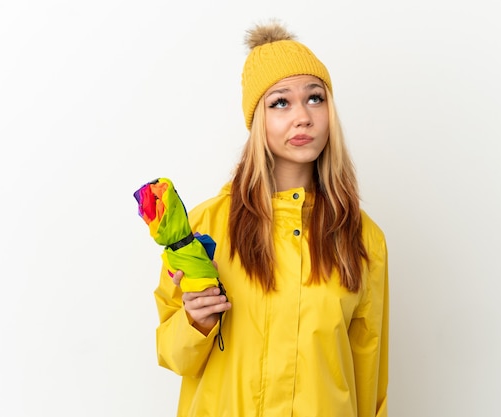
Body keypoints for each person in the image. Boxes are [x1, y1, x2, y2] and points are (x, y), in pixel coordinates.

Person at [154, 20, 389, 417]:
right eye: (280, 102)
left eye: (315, 98)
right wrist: (195, 323)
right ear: (257, 119)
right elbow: (175, 357)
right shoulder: (204, 228)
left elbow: (369, 376)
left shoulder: (362, 238)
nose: (302, 117)